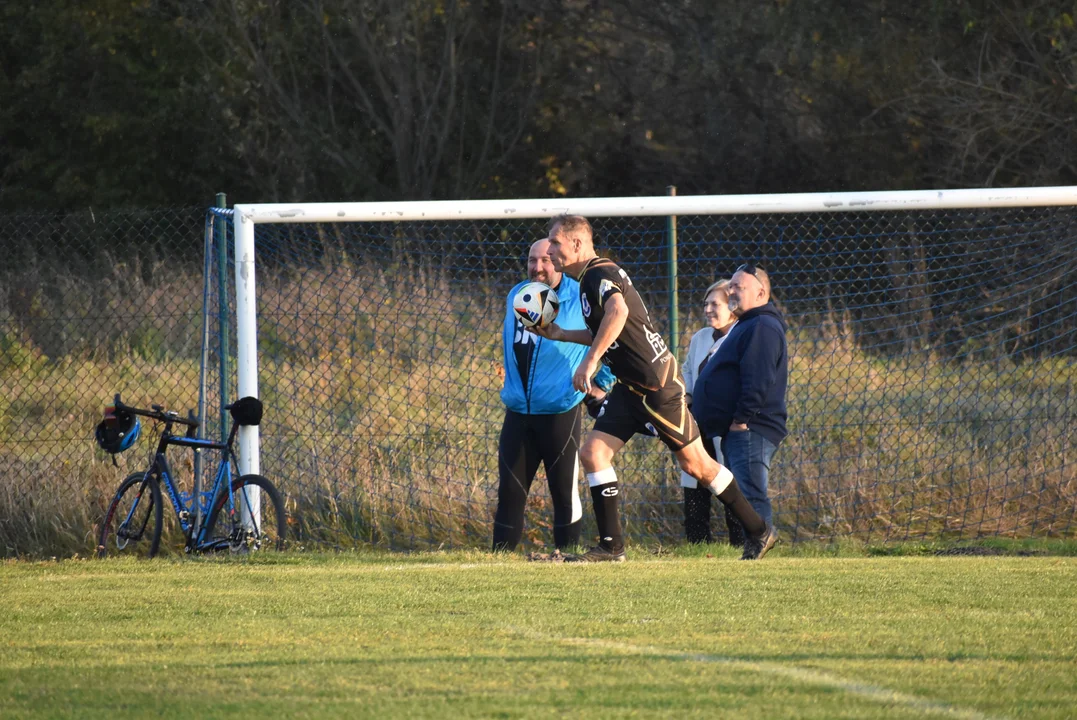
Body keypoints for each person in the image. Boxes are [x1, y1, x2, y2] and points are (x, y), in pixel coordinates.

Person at [534, 215, 773, 562]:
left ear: (575, 244)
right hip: (631, 388)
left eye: (554, 242)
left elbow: (617, 312)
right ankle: (611, 547)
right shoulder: (587, 279)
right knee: (593, 453)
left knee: (698, 466)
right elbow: (611, 330)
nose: (550, 249)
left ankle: (759, 531)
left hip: (656, 386)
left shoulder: (599, 274)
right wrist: (562, 335)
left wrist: (590, 362)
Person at [493, 238, 615, 552]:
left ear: (558, 260)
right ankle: (499, 560)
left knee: (564, 492)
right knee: (510, 491)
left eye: (546, 260)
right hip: (519, 410)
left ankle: (567, 556)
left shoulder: (580, 295)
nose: (538, 267)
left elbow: (613, 338)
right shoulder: (518, 295)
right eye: (533, 260)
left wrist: (600, 380)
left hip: (561, 411)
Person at [694, 263, 787, 552]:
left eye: (739, 287)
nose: (732, 290)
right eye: (731, 286)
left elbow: (758, 378)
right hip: (740, 428)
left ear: (761, 292)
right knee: (745, 491)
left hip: (751, 427)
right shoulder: (749, 323)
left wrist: (742, 420)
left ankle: (758, 545)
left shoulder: (762, 325)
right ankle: (754, 545)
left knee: (751, 492)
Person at [680, 279, 743, 546]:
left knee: (728, 480)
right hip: (696, 423)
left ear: (732, 306)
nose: (707, 309)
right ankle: (697, 544)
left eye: (714, 304)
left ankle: (741, 544)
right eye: (705, 303)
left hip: (726, 425)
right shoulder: (700, 338)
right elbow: (685, 370)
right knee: (693, 479)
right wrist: (687, 394)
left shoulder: (741, 335)